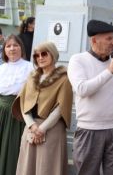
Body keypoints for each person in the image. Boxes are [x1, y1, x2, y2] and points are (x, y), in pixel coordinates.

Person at [67, 19, 113, 175]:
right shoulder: (78, 60)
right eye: (109, 38)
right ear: (94, 40)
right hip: (90, 130)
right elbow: (82, 89)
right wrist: (109, 71)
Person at [12, 42, 73, 175]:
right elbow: (24, 103)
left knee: (48, 168)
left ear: (53, 54)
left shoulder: (64, 79)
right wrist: (33, 126)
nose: (40, 57)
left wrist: (42, 129)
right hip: (30, 129)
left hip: (52, 130)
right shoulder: (31, 77)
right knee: (27, 167)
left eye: (44, 53)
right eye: (36, 55)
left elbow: (60, 109)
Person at [0, 34, 32, 175]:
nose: (12, 48)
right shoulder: (1, 69)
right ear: (4, 50)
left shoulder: (30, 68)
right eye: (8, 46)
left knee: (15, 149)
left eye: (15, 45)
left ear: (21, 48)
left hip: (19, 114)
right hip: (1, 113)